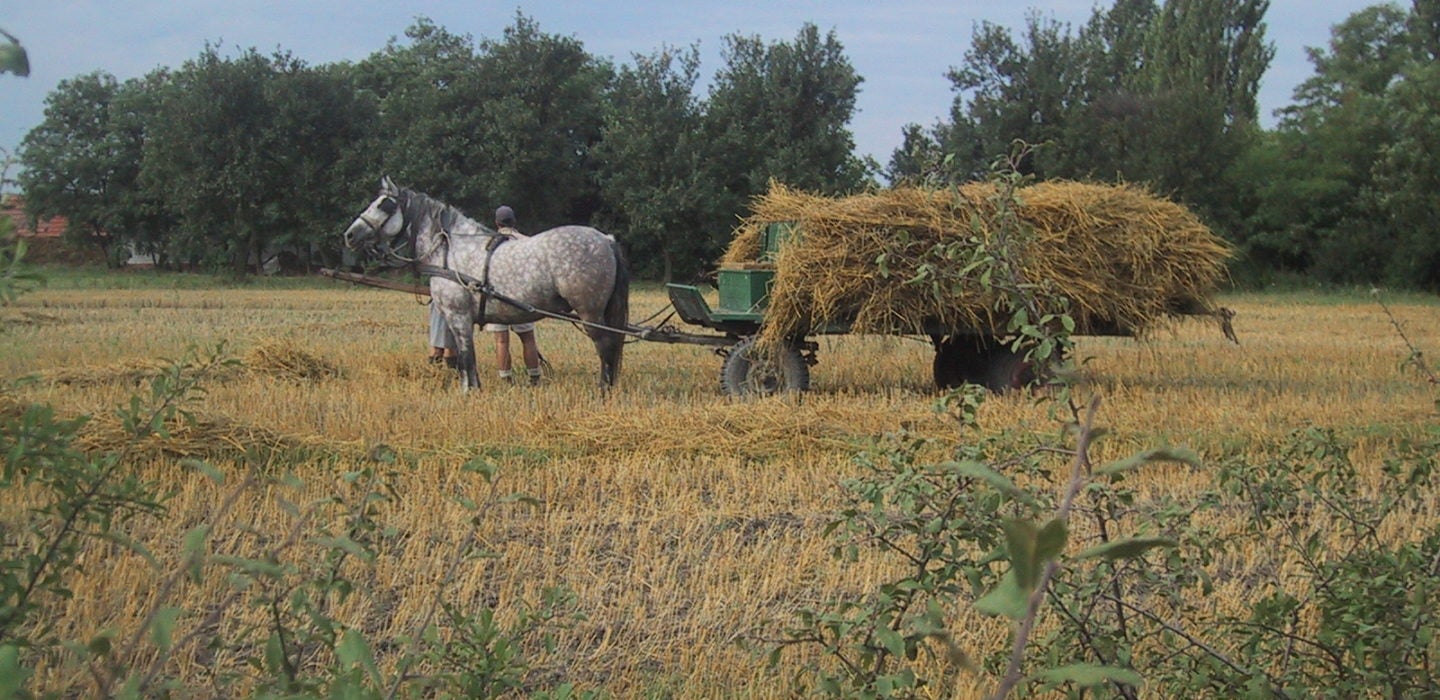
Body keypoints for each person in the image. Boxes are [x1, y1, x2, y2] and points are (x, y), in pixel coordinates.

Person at [486, 205, 544, 384]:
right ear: (514, 221)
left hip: (497, 298)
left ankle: (506, 379)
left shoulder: (489, 243)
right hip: (521, 298)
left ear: (496, 222)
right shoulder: (526, 242)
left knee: (501, 341)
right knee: (528, 339)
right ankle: (534, 377)